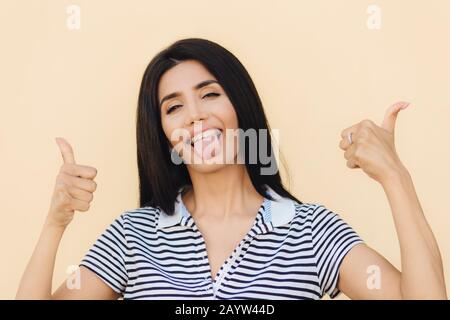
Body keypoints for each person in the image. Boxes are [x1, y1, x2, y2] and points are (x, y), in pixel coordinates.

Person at [16, 38, 447, 300]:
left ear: (240, 104)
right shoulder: (133, 237)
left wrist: (396, 178)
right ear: (163, 133)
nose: (194, 117)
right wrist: (55, 224)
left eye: (210, 94)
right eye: (174, 107)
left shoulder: (311, 231)